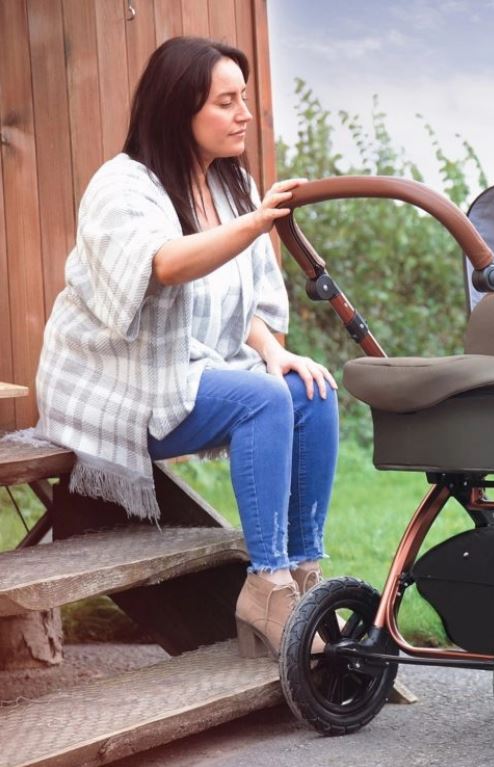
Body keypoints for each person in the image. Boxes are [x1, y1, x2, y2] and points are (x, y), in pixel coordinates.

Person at [35, 36, 338, 659]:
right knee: (259, 399)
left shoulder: (232, 185)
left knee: (309, 392)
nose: (243, 114)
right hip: (116, 385)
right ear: (180, 111)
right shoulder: (123, 187)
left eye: (244, 98)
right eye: (226, 102)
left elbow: (241, 300)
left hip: (190, 373)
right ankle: (267, 583)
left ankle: (305, 580)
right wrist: (256, 223)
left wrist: (275, 353)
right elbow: (164, 266)